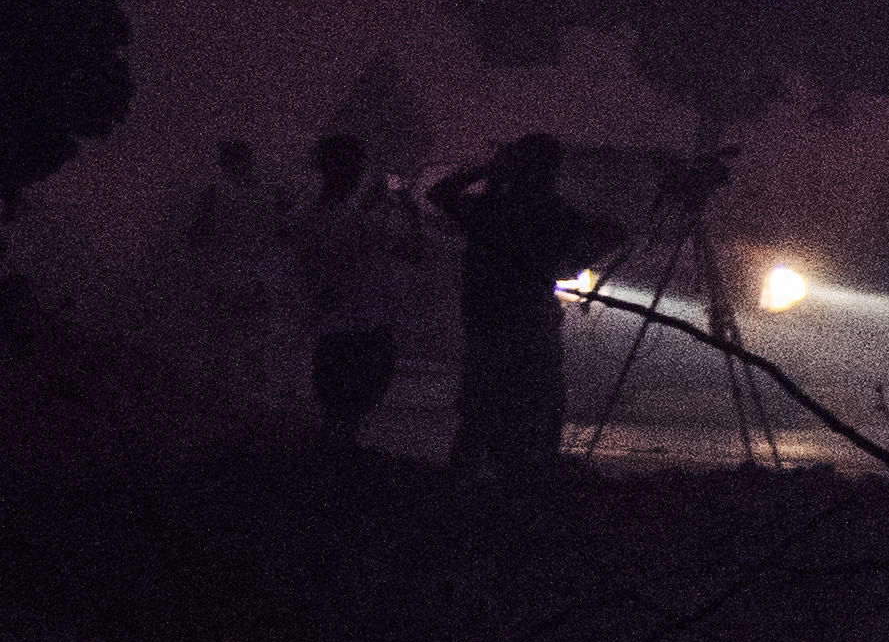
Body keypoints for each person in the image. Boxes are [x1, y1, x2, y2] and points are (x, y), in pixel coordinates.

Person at [422, 134, 607, 476]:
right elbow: (593, 243)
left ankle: (462, 487)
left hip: (488, 319)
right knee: (539, 405)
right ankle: (526, 484)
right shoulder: (553, 213)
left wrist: (484, 171)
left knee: (480, 409)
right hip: (530, 322)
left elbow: (439, 196)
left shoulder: (491, 208)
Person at [290, 131, 427, 446]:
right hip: (366, 330)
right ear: (357, 171)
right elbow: (415, 251)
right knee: (352, 414)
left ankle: (328, 477)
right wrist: (410, 208)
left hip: (329, 327)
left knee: (335, 416)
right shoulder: (360, 223)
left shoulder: (308, 217)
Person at [176, 138, 291, 403]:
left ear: (224, 162)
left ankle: (217, 395)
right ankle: (255, 399)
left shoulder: (215, 193)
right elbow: (285, 235)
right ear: (249, 161)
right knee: (253, 337)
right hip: (256, 277)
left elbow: (195, 236)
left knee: (221, 338)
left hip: (224, 274)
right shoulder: (267, 194)